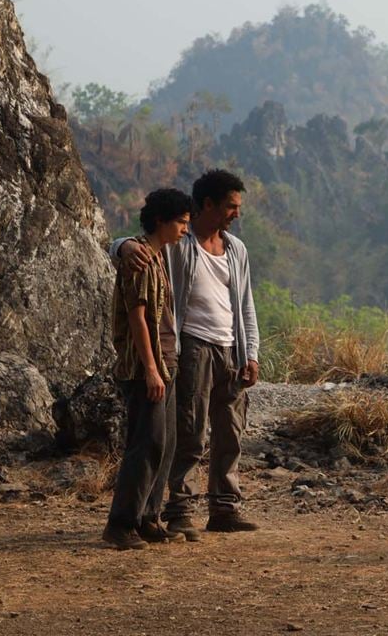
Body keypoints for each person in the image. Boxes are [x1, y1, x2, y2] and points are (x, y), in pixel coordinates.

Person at [113, 169, 260, 540]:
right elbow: (136, 246)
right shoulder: (179, 245)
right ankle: (176, 511)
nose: (236, 213)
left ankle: (223, 508)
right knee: (186, 435)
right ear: (206, 205)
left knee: (230, 433)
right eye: (230, 206)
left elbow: (245, 306)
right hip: (191, 346)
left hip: (231, 348)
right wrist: (122, 246)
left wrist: (251, 353)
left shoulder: (235, 249)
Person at [103, 188, 192, 550]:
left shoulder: (159, 258)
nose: (185, 229)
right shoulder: (139, 258)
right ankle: (121, 524)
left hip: (166, 364)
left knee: (165, 444)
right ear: (161, 221)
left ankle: (148, 517)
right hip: (146, 369)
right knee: (146, 445)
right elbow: (138, 320)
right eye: (181, 223)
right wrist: (152, 369)